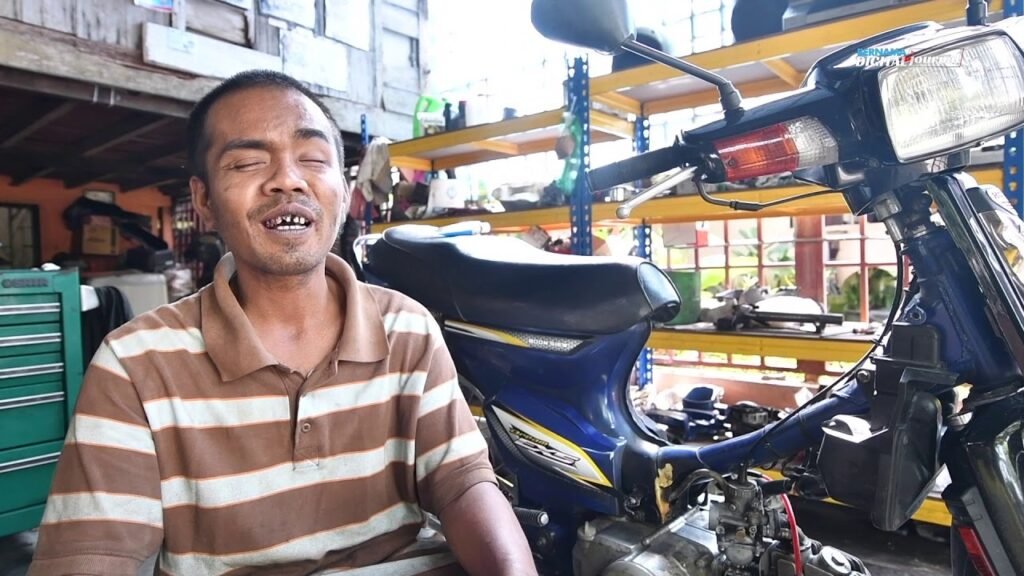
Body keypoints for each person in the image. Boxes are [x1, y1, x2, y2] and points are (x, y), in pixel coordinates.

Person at [28, 70, 537, 576]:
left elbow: (462, 482)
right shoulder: (135, 364)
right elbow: (91, 552)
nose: (287, 179)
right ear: (204, 201)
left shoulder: (407, 328)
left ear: (343, 189)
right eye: (248, 162)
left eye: (312, 159)